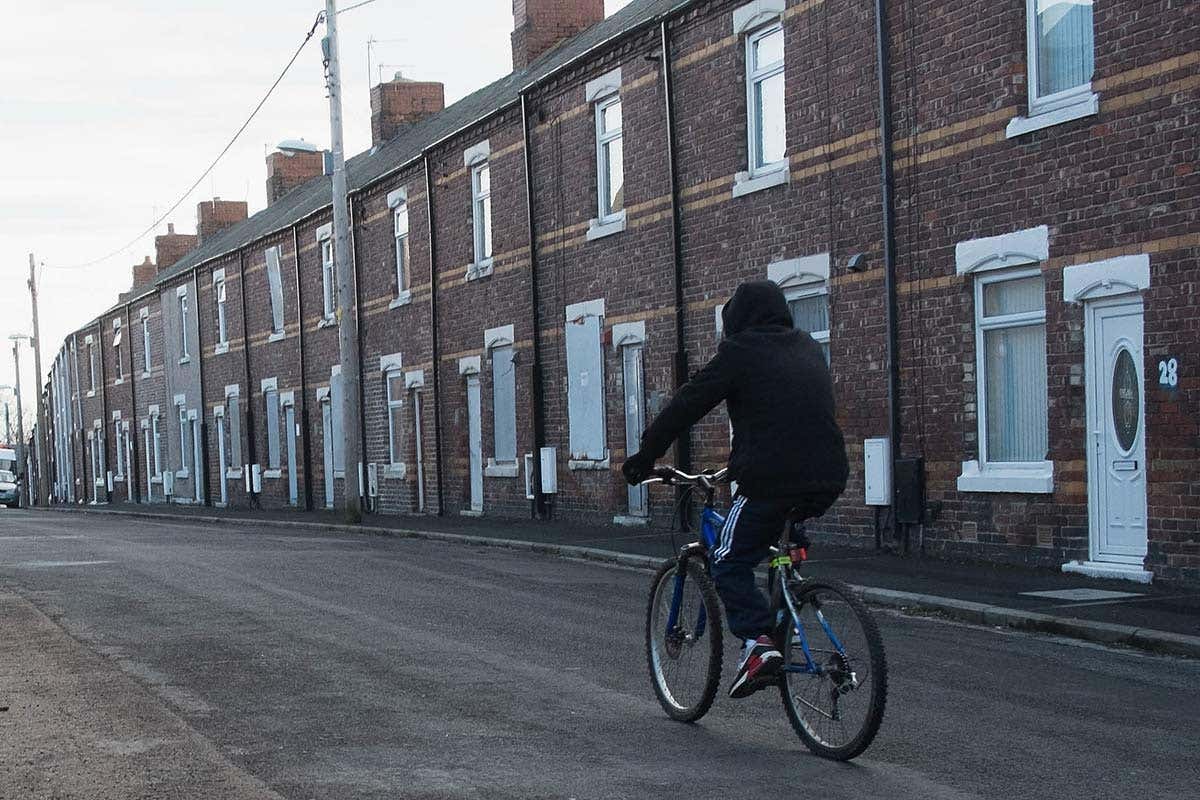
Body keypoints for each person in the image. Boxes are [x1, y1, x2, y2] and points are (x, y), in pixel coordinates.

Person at [622, 280, 848, 698]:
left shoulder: (740, 352)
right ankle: (789, 620)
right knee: (777, 549)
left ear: (738, 320)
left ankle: (760, 645)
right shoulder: (807, 346)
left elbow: (686, 405)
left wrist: (644, 456)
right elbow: (787, 415)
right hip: (828, 474)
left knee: (726, 559)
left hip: (770, 478)